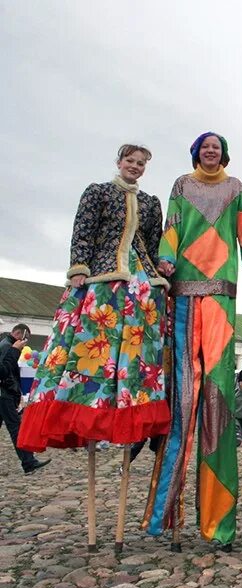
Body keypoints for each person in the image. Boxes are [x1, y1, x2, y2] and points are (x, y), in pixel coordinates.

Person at [143, 132, 242, 550]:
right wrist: (166, 257)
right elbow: (173, 226)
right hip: (182, 293)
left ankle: (220, 524)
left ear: (225, 154)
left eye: (217, 147)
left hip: (219, 297)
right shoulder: (181, 185)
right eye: (205, 147)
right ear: (197, 152)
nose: (211, 152)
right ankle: (167, 513)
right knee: (182, 402)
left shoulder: (235, 189)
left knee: (217, 402)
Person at [18, 144, 170, 452]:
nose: (136, 166)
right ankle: (84, 406)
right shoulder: (97, 192)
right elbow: (83, 231)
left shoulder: (151, 203)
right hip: (102, 280)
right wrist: (79, 266)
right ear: (119, 161)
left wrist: (160, 273)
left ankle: (128, 407)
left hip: (140, 285)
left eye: (141, 163)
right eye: (131, 160)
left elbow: (152, 243)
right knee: (92, 345)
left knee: (134, 353)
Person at [1, 325, 50, 473]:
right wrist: (15, 350)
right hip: (4, 395)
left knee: (16, 428)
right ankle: (28, 462)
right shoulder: (7, 347)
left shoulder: (5, 345)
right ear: (18, 335)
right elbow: (4, 372)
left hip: (4, 394)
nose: (25, 344)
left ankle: (28, 461)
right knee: (16, 428)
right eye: (25, 339)